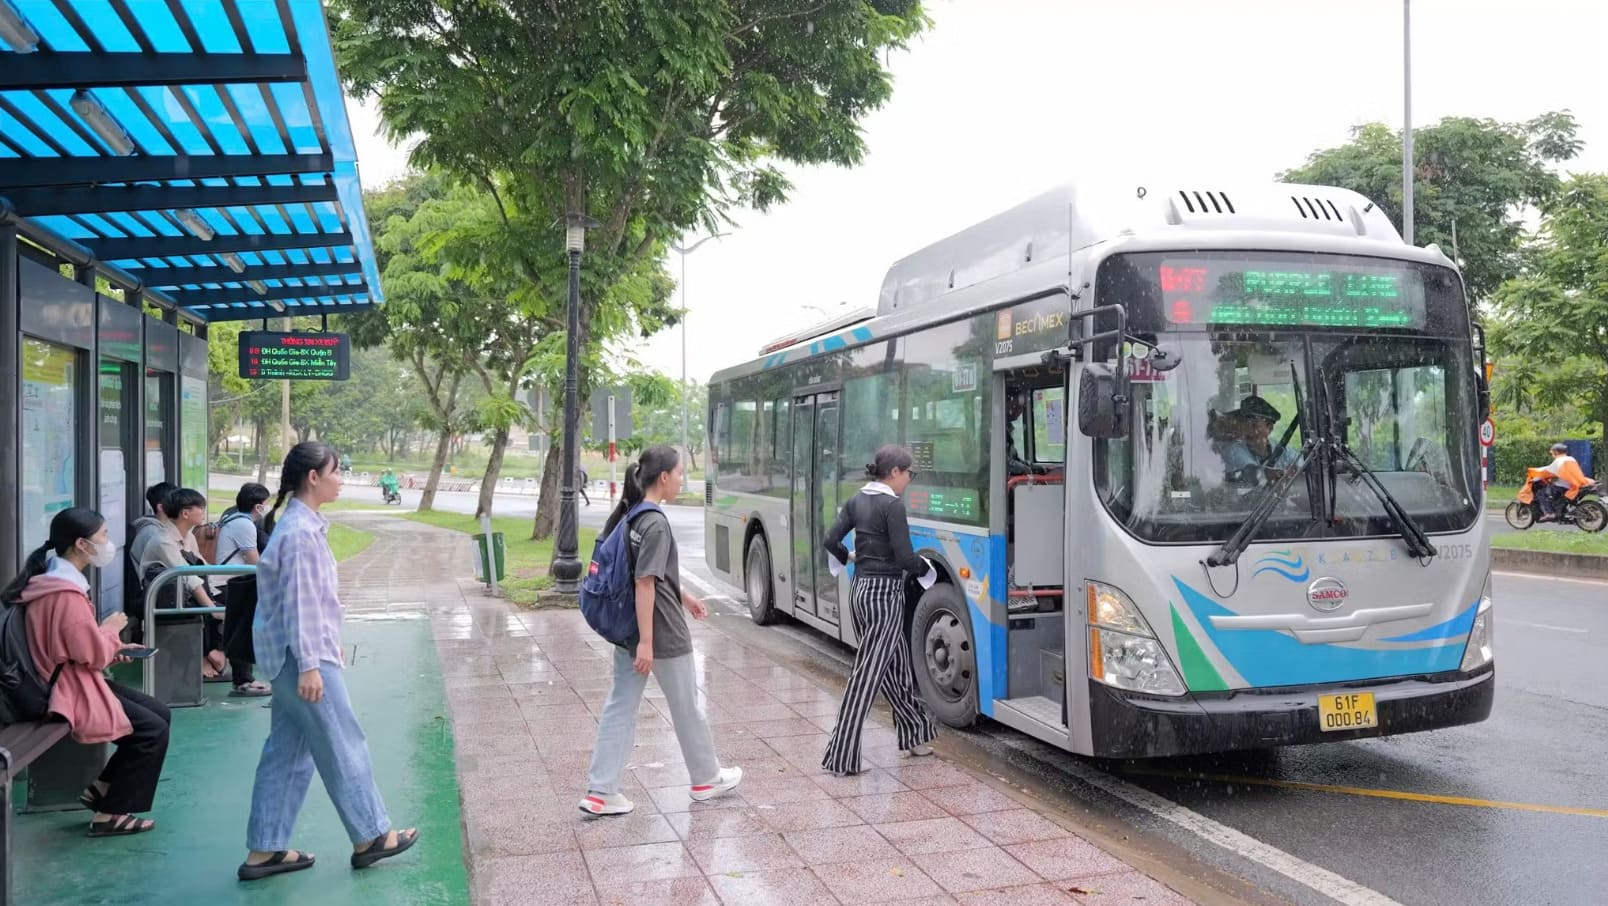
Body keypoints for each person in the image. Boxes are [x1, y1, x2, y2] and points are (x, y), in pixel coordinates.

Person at [240, 442, 417, 881]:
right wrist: (310, 665)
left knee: (286, 753)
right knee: (342, 742)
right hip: (301, 658)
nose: (341, 479)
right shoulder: (300, 533)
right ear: (313, 477)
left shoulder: (301, 526)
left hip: (291, 655)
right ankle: (371, 835)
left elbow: (311, 603)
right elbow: (302, 605)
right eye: (336, 471)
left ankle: (265, 850)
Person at [579, 446, 742, 816]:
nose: (682, 480)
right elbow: (644, 583)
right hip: (660, 632)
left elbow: (651, 574)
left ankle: (601, 791)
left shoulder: (633, 514)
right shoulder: (654, 522)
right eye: (680, 473)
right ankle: (706, 778)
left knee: (620, 707)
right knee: (686, 706)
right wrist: (648, 644)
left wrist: (685, 597)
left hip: (628, 630)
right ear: (664, 477)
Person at [8, 507, 170, 837]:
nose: (108, 543)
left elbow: (77, 647)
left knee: (159, 714)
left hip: (63, 676)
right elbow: (92, 653)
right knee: (150, 730)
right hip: (63, 689)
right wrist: (111, 631)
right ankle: (109, 815)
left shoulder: (51, 582)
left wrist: (113, 648)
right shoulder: (65, 594)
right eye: (103, 536)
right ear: (82, 544)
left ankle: (103, 789)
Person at [821, 444, 939, 776]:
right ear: (895, 472)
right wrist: (927, 568)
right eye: (910, 473)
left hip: (860, 591)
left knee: (895, 667)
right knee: (866, 677)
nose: (910, 479)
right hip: (884, 597)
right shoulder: (892, 505)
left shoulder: (857, 500)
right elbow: (905, 557)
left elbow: (830, 539)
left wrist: (849, 557)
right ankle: (842, 755)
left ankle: (915, 734)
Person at [130, 487, 233, 683]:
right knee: (210, 608)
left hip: (185, 594)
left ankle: (214, 652)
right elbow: (188, 577)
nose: (203, 512)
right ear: (185, 513)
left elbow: (203, 568)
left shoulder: (189, 537)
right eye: (200, 508)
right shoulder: (163, 541)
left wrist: (228, 581)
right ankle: (207, 655)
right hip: (166, 598)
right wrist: (211, 608)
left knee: (231, 597)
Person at [1221, 395, 1298, 483]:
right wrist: (1272, 474)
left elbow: (1302, 464)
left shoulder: (1282, 450)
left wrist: (1296, 470)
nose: (1248, 431)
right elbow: (1252, 472)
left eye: (1254, 425)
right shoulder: (1234, 451)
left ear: (1269, 428)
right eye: (1245, 425)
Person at [1536, 442, 1588, 521]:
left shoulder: (1558, 461)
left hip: (1563, 486)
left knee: (1541, 493)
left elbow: (1548, 471)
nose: (1552, 454)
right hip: (1573, 483)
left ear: (1556, 452)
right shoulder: (1571, 459)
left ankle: (1549, 513)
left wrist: (1536, 476)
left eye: (1552, 452)